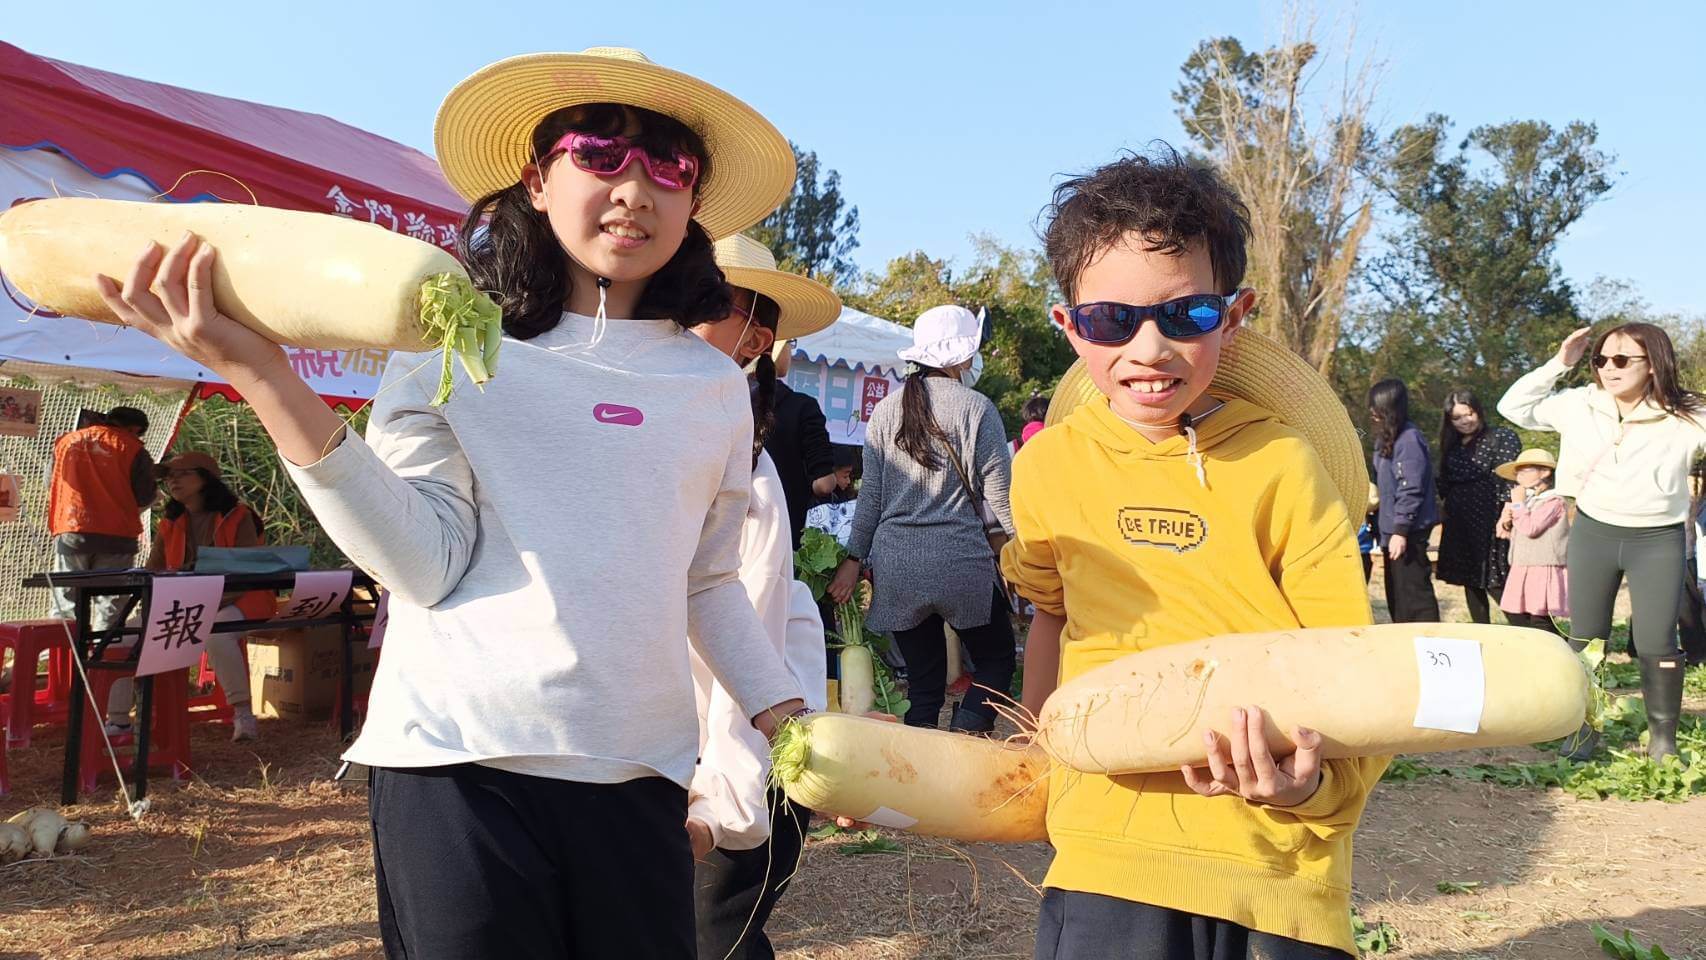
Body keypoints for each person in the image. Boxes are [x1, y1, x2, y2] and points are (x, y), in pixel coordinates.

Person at [93, 47, 807, 959]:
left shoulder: (710, 386)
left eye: (669, 166)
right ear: (537, 179)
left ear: (693, 202)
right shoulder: (448, 343)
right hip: (456, 764)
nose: (635, 189)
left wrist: (786, 717)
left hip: (639, 772)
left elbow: (708, 583)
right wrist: (263, 376)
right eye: (599, 153)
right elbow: (424, 563)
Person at [1005, 149, 1381, 960]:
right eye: (1111, 319)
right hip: (1112, 851)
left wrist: (1312, 784)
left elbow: (1354, 669)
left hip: (1278, 863)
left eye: (1186, 316)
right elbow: (1051, 616)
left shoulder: (1284, 463)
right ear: (1068, 324)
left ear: (1234, 313)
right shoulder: (1045, 467)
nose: (1148, 349)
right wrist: (1035, 757)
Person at [686, 233, 837, 960]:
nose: (680, 315)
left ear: (756, 337)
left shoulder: (750, 478)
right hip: (676, 764)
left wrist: (721, 813)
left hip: (737, 764)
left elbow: (744, 649)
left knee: (715, 940)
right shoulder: (658, 440)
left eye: (707, 303)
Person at [1499, 322, 1706, 762]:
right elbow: (1513, 405)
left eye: (1621, 359)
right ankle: (1582, 732)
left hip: (1658, 540)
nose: (1608, 368)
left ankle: (1663, 741)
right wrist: (1562, 362)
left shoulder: (1688, 415)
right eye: (1601, 359)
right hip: (1593, 533)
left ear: (1653, 364)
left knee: (1656, 642)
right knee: (1587, 638)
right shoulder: (1580, 404)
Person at [827, 304, 1016, 734]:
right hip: (960, 563)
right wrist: (1026, 552)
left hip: (898, 567)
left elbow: (870, 498)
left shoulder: (886, 411)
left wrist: (854, 558)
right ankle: (967, 731)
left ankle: (917, 784)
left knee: (925, 684)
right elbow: (1001, 498)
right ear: (961, 355)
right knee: (997, 658)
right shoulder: (977, 408)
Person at [102, 451, 273, 742]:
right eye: (168, 477)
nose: (172, 482)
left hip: (242, 599)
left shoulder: (240, 516)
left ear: (206, 478)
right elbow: (153, 570)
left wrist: (203, 604)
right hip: (186, 605)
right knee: (119, 635)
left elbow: (249, 571)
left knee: (216, 633)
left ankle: (243, 713)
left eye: (181, 474)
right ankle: (119, 722)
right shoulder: (170, 521)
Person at [46, 405, 157, 627]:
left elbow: (51, 483)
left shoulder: (67, 442)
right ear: (134, 428)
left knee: (66, 601)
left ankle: (63, 655)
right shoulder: (134, 449)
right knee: (110, 603)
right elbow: (145, 496)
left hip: (71, 528)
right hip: (117, 535)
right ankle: (103, 655)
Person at [1435, 389, 1520, 623]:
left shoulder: (1501, 437)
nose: (1465, 421)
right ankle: (1481, 629)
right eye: (1457, 417)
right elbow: (1444, 482)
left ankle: (1528, 630)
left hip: (1490, 517)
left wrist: (1507, 514)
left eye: (1469, 413)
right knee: (1470, 580)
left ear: (1478, 411)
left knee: (1496, 579)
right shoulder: (1451, 445)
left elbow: (1510, 479)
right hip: (1459, 521)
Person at [1369, 378, 1442, 623]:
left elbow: (1411, 488)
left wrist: (1401, 530)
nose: (1373, 412)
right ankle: (1405, 643)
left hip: (1409, 531)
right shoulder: (1385, 439)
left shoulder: (1409, 439)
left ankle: (1429, 643)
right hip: (1390, 531)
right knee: (1397, 596)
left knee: (1414, 596)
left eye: (1378, 407)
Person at [766, 340, 840, 549]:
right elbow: (824, 484)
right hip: (785, 536)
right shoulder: (802, 407)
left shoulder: (722, 397)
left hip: (723, 540)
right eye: (790, 342)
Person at [1493, 449, 1569, 639]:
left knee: (1539, 618)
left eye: (1526, 471)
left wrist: (1518, 505)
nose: (1520, 476)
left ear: (1545, 473)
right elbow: (1506, 532)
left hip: (1542, 567)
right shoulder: (1528, 500)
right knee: (1516, 611)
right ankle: (1541, 647)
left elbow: (1531, 528)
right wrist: (1507, 517)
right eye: (1518, 472)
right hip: (1522, 564)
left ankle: (1563, 651)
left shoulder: (1553, 501)